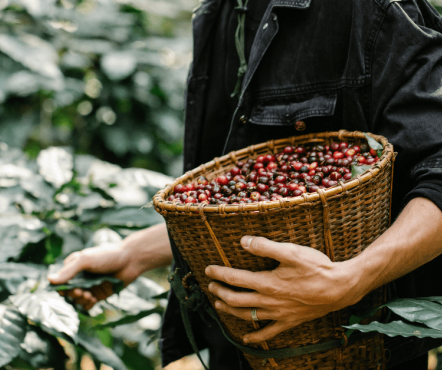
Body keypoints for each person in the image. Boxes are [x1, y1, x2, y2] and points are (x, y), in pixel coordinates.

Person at [48, 0, 442, 368]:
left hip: (351, 347)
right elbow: (250, 202)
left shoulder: (370, 10)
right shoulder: (221, 12)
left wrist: (352, 279)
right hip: (240, 346)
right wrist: (133, 254)